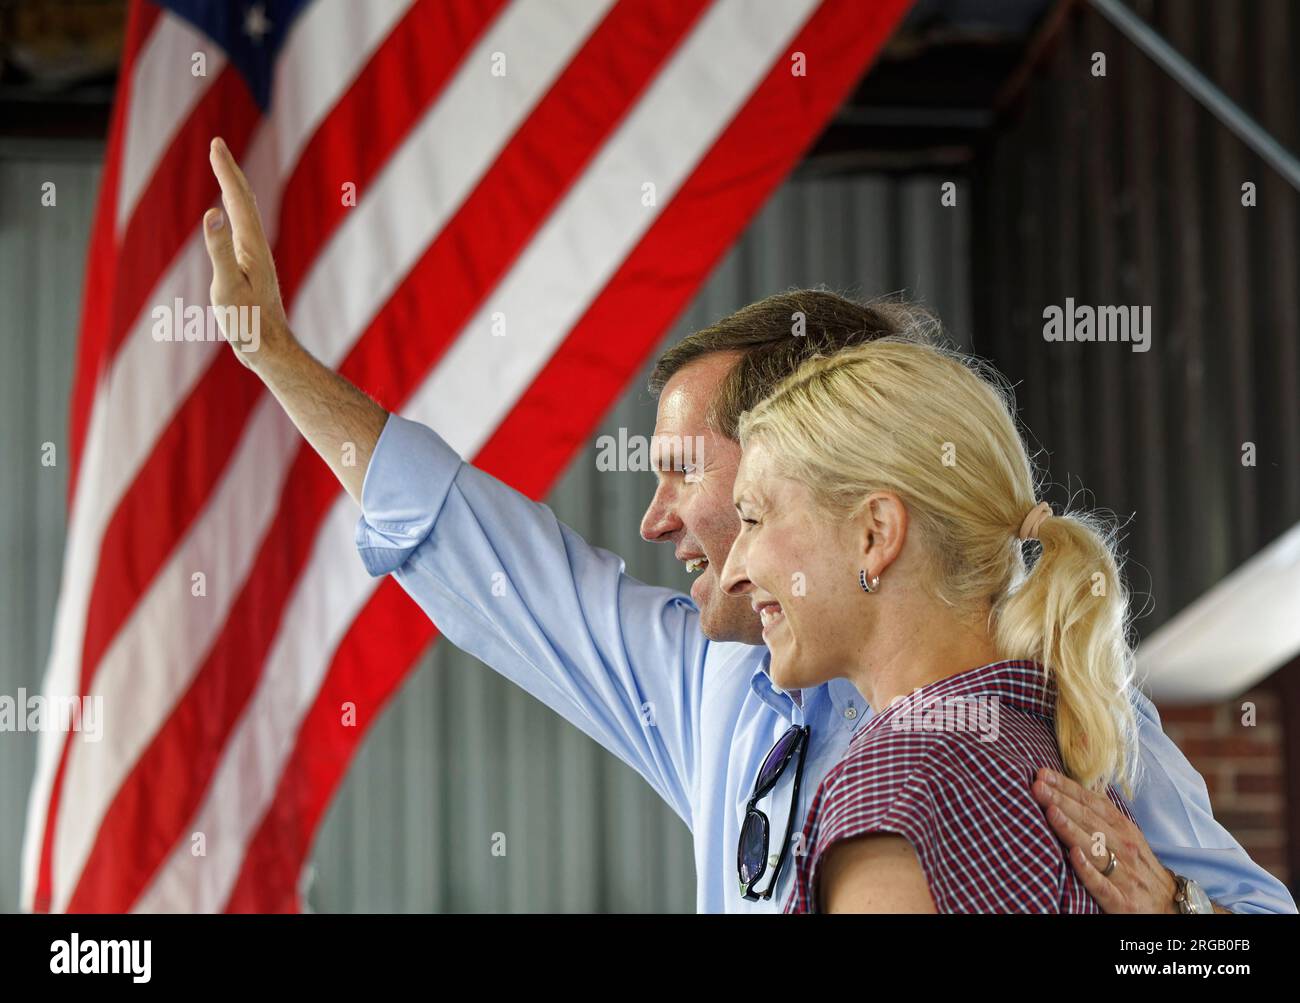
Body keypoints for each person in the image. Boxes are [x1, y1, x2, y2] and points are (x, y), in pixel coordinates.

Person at [200, 135, 1295, 913]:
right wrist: (282, 368)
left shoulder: (1069, 710)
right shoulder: (715, 685)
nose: (653, 513)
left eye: (696, 474)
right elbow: (475, 550)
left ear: (846, 496)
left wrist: (1172, 922)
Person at [720, 336, 1142, 911]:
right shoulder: (1057, 751)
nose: (733, 573)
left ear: (875, 534)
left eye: (753, 518)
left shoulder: (892, 788)